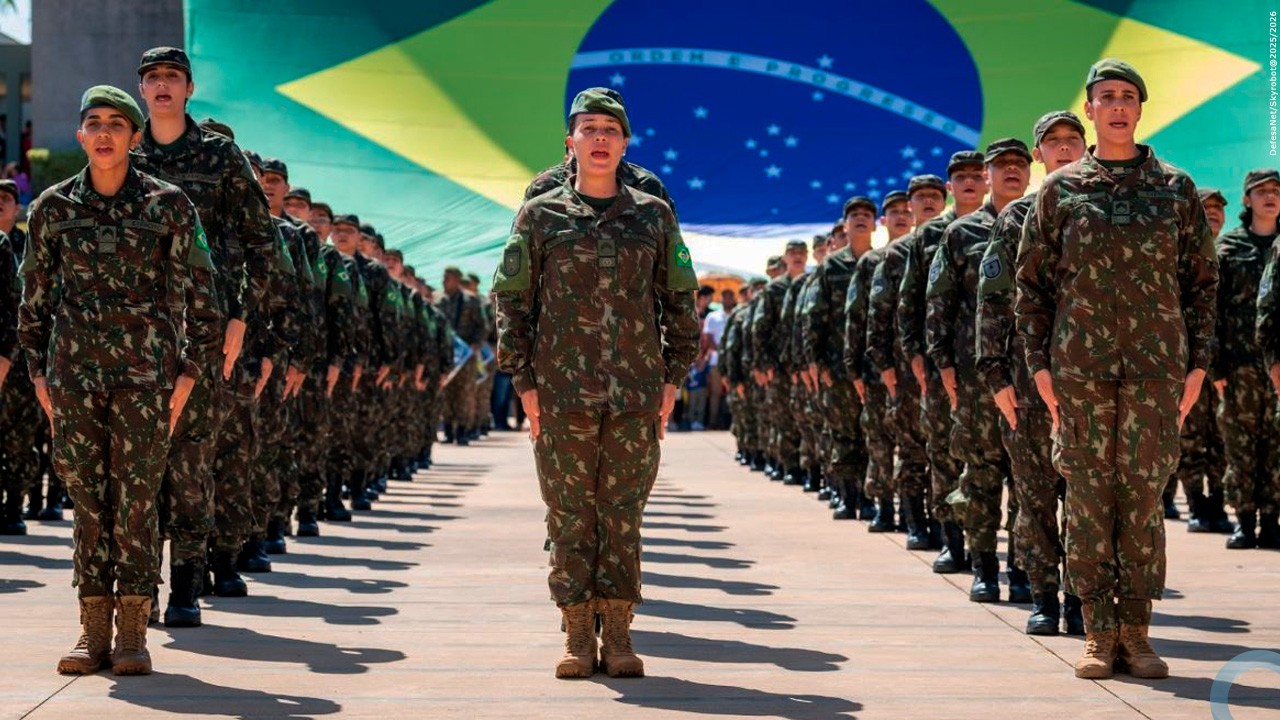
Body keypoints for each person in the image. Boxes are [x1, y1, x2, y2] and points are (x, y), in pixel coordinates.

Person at [1015, 59, 1217, 679]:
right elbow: (1031, 285)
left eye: (1129, 96)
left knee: (1143, 498)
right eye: (1107, 97)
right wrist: (1039, 367)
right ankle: (1098, 633)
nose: (1119, 105)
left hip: (1158, 370)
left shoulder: (1175, 188)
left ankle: (1138, 631)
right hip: (1079, 370)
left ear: (1140, 108)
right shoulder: (1060, 190)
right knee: (1086, 496)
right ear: (1092, 109)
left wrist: (1199, 366)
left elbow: (1202, 285)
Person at [493, 88, 699, 679]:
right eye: (589, 128)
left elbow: (680, 299)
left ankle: (621, 634)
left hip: (636, 390)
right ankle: (579, 632)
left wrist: (672, 376)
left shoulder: (653, 215)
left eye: (610, 128)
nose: (600, 138)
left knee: (623, 512)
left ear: (625, 142)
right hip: (559, 393)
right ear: (571, 141)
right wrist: (525, 383)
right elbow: (512, 303)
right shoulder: (540, 215)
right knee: (568, 514)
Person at [21, 86, 216, 675]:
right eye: (93, 123)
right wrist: (38, 374)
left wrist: (187, 376)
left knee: (134, 503)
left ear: (135, 137)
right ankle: (91, 631)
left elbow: (203, 294)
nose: (104, 132)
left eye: (117, 123)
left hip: (147, 380)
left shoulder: (169, 205)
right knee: (86, 501)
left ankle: (133, 631)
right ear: (81, 136)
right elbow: (32, 300)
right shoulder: (52, 209)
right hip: (74, 378)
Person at [976, 110, 1088, 635]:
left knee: (1088, 499)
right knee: (1036, 494)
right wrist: (996, 377)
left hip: (1094, 381)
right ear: (1040, 154)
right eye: (1053, 142)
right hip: (1026, 385)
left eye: (1072, 140)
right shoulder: (1016, 218)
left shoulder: (1106, 211)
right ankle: (1045, 595)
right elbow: (993, 303)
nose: (1063, 149)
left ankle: (1084, 600)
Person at [926, 138, 1031, 603]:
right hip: (974, 378)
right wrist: (944, 364)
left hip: (1031, 374)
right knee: (982, 472)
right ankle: (985, 566)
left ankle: (1027, 568)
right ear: (986, 174)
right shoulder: (961, 233)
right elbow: (938, 304)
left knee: (1030, 478)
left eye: (1019, 164)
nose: (1011, 171)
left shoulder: (1043, 221)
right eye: (1001, 165)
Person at [1222, 169, 1280, 549]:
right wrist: (1214, 367)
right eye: (1261, 191)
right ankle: (1243, 520)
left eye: (1276, 191)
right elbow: (1212, 309)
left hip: (1278, 367)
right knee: (1240, 445)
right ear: (1246, 200)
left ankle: (1272, 520)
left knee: (1276, 445)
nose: (1269, 197)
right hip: (1239, 365)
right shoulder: (1228, 249)